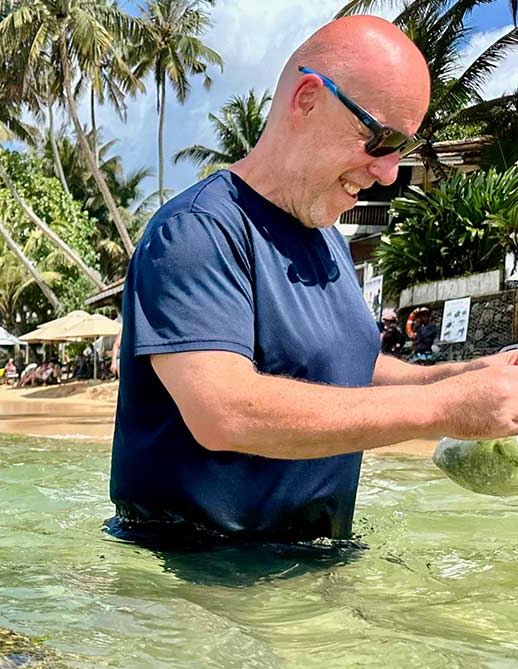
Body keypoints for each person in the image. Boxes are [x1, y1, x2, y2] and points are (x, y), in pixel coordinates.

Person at [109, 16, 518, 547]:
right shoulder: (195, 232)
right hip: (197, 576)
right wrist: (444, 408)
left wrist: (460, 375)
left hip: (306, 566)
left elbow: (346, 367)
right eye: (380, 139)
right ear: (307, 99)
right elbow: (224, 410)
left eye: (403, 149)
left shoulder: (328, 239)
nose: (390, 172)